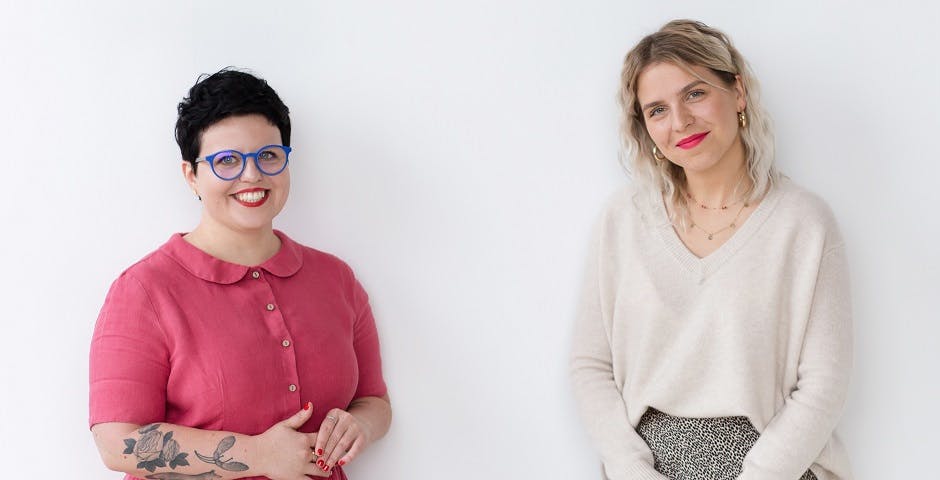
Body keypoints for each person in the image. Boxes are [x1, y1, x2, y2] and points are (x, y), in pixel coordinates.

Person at [570, 20, 852, 480]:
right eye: (657, 110)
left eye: (695, 94)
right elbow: (590, 366)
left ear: (737, 92)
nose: (680, 121)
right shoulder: (624, 220)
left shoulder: (803, 223)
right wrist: (631, 469)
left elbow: (824, 384)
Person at [89, 69, 391, 480]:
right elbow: (116, 443)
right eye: (227, 161)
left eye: (269, 156)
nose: (252, 175)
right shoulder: (144, 290)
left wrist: (361, 426)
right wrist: (257, 455)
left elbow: (374, 401)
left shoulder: (336, 279)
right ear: (191, 175)